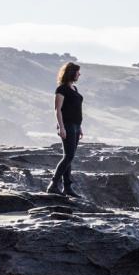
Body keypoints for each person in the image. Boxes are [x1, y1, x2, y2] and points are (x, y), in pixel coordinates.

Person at [47, 61, 83, 196]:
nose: (79, 74)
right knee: (68, 156)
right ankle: (53, 184)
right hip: (67, 125)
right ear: (71, 73)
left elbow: (76, 109)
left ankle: (67, 188)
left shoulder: (74, 89)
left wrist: (80, 127)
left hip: (76, 126)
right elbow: (58, 110)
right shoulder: (61, 89)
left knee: (70, 157)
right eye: (77, 72)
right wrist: (61, 127)